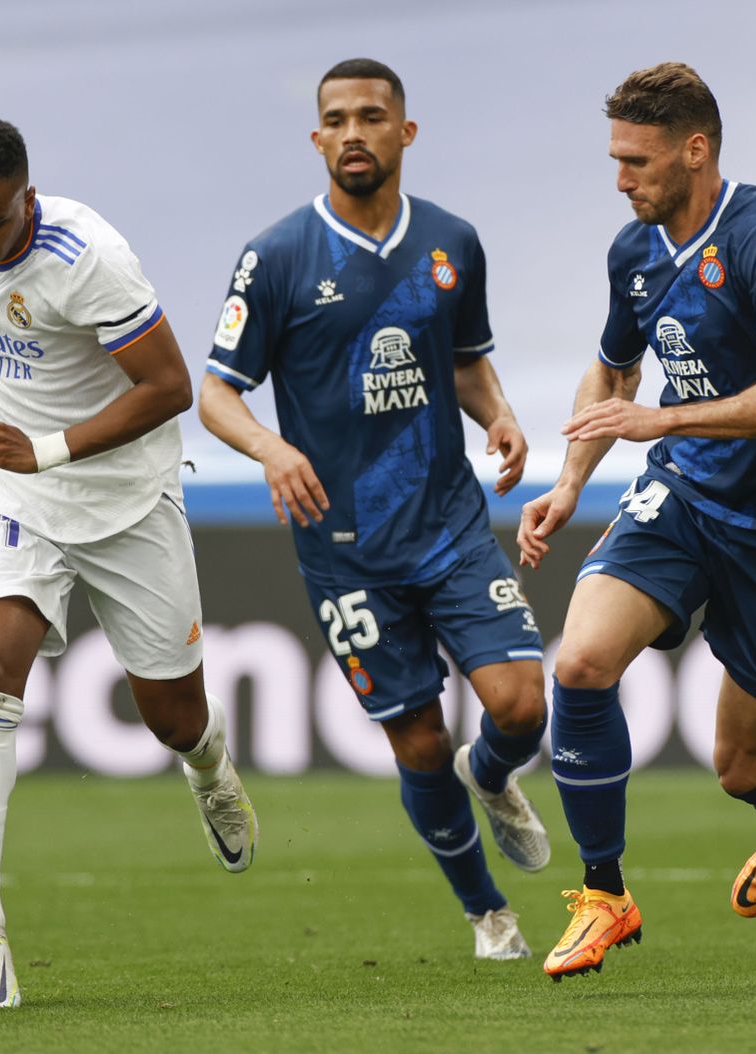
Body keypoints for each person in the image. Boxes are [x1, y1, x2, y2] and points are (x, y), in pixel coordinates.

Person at [199, 59, 551, 960]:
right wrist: (273, 449)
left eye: (371, 116)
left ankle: (495, 773)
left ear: (406, 132)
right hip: (345, 548)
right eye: (335, 119)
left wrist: (500, 413)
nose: (353, 132)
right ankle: (488, 914)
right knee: (419, 742)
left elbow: (465, 360)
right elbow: (217, 394)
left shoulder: (452, 242)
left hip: (450, 525)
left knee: (520, 707)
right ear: (317, 138)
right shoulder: (276, 257)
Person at [0, 117, 258, 1008]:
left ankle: (210, 767)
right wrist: (21, 461)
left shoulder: (87, 256)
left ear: (28, 193)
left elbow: (170, 387)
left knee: (172, 715)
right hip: (11, 496)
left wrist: (48, 448)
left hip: (125, 497)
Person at [517, 62, 756, 981]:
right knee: (579, 663)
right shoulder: (635, 250)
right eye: (616, 158)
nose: (621, 178)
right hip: (683, 496)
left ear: (695, 150)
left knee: (743, 767)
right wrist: (573, 479)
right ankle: (604, 896)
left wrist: (662, 418)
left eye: (638, 160)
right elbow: (615, 377)